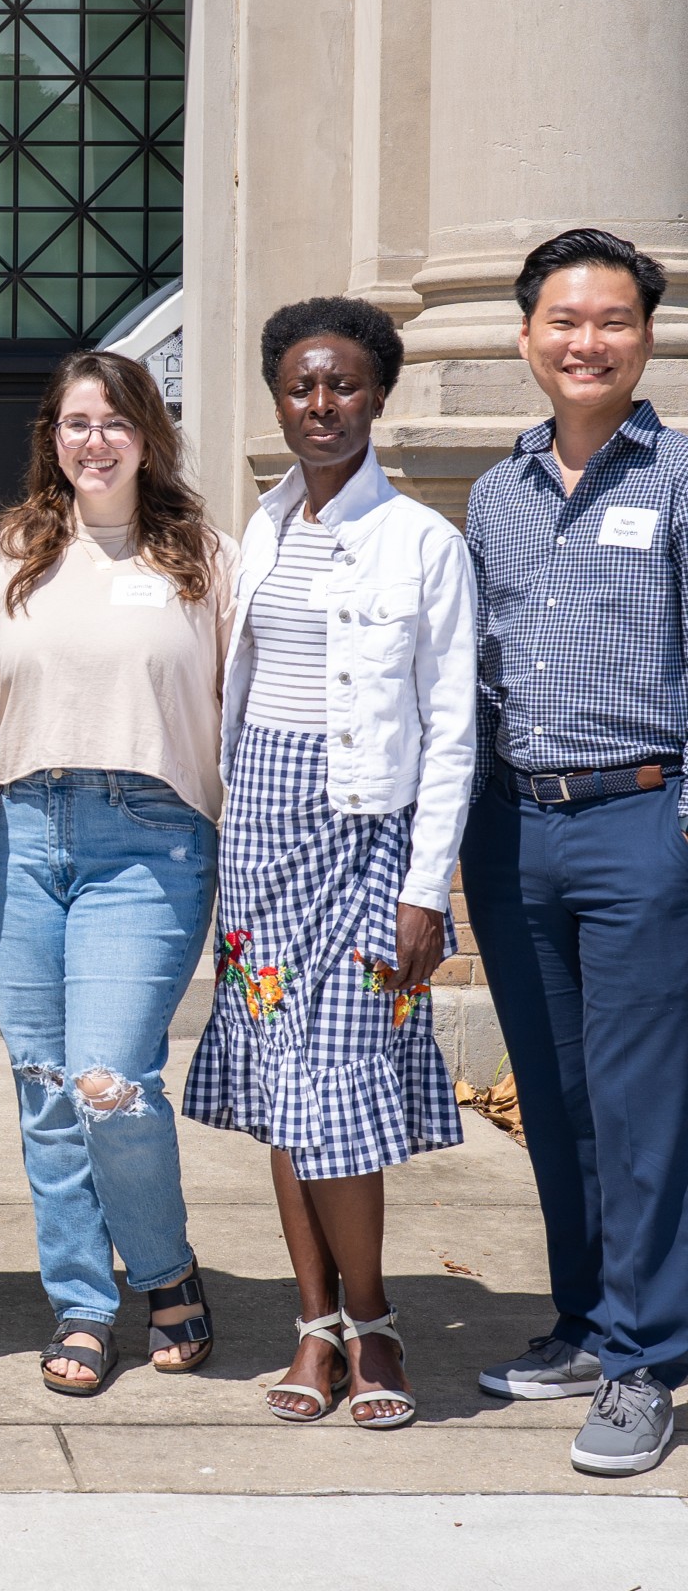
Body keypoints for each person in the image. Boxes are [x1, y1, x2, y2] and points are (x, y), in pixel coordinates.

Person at [183, 297, 475, 1430]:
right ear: (276, 398)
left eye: (343, 385)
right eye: (301, 386)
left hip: (367, 837)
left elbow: (453, 729)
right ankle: (314, 1330)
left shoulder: (423, 543)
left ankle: (377, 1320)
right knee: (279, 1085)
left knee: (340, 1084)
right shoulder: (257, 527)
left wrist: (425, 888)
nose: (321, 405)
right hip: (260, 833)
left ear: (379, 397)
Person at [0, 352, 235, 1395]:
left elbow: (240, 706)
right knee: (43, 1087)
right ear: (53, 440)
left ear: (148, 434)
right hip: (27, 826)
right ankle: (80, 1299)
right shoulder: (16, 553)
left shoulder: (205, 558)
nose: (95, 441)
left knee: (110, 1084)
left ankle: (162, 1267)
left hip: (152, 838)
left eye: (114, 421)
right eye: (76, 424)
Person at [459, 228, 688, 1477]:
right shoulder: (495, 495)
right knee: (558, 1100)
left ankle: (650, 1359)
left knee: (647, 1104)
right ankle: (590, 1326)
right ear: (526, 337)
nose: (584, 343)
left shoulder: (682, 481)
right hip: (516, 827)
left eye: (610, 321)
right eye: (562, 321)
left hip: (641, 819)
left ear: (644, 337)